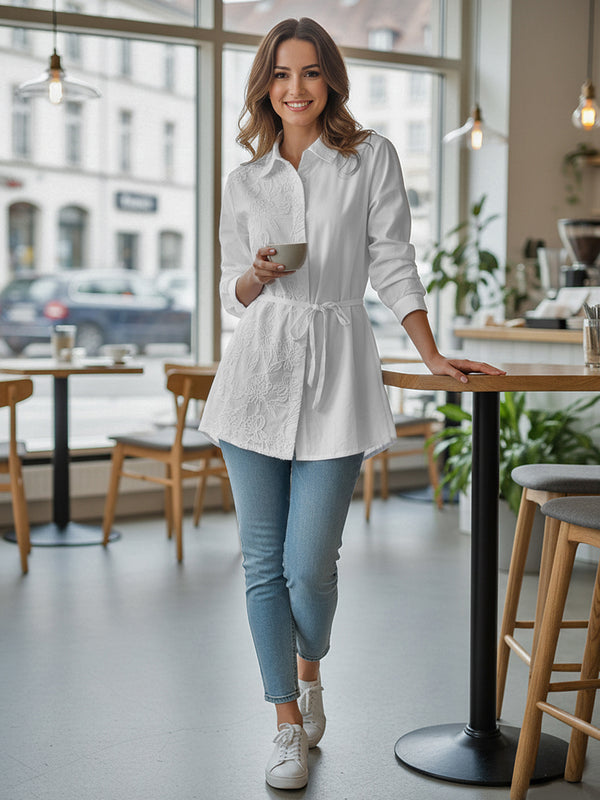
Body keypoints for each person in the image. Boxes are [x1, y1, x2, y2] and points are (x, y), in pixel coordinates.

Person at [199, 17, 504, 790]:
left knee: (310, 567)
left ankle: (310, 672)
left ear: (330, 78)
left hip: (338, 365)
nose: (294, 88)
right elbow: (230, 287)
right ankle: (285, 724)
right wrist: (260, 276)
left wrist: (430, 351)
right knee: (262, 567)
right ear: (265, 85)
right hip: (255, 375)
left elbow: (393, 258)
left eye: (308, 72)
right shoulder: (247, 177)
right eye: (280, 74)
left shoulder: (368, 157)